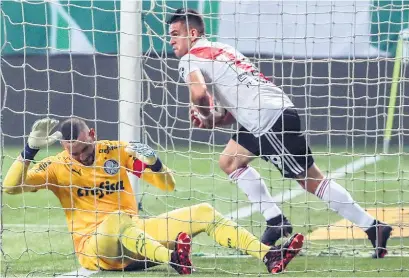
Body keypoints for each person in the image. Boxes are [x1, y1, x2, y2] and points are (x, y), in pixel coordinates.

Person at [167, 8, 392, 258]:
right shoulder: (224, 50)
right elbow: (232, 111)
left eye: (176, 34)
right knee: (229, 162)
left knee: (312, 181)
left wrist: (206, 115)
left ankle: (373, 228)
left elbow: (199, 94)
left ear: (194, 33)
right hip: (269, 114)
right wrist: (215, 118)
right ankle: (275, 222)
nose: (171, 40)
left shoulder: (189, 60)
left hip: (268, 120)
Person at [3, 118, 304, 274]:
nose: (79, 157)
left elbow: (168, 184)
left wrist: (155, 163)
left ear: (91, 135)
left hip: (134, 243)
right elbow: (10, 188)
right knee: (118, 219)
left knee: (203, 212)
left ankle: (269, 256)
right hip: (96, 249)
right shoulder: (56, 167)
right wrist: (29, 151)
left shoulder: (117, 151)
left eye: (83, 150)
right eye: (73, 153)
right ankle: (173, 258)